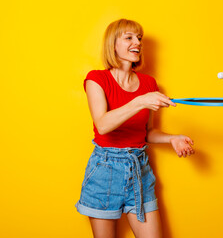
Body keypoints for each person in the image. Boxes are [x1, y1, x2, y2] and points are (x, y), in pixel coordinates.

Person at [75, 18, 195, 238]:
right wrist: (140, 101)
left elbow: (147, 133)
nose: (137, 42)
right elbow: (102, 125)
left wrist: (172, 138)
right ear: (113, 45)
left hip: (140, 169)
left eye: (139, 38)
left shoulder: (149, 84)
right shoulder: (96, 79)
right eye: (128, 37)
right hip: (105, 169)